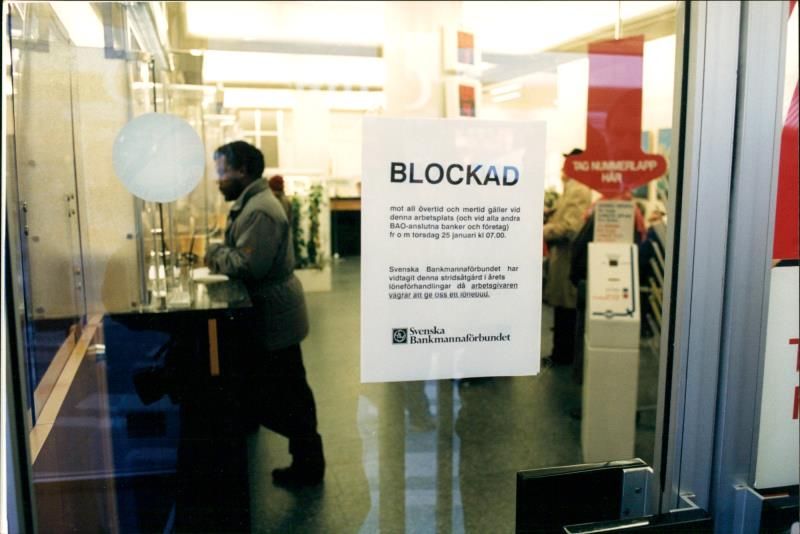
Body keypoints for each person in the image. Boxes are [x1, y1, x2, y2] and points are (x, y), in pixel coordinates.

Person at [205, 140, 325, 487]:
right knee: (290, 388)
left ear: (242, 171)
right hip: (274, 311)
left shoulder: (259, 209)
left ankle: (308, 464)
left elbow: (248, 265)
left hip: (274, 314)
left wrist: (213, 252)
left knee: (288, 390)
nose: (219, 180)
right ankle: (307, 460)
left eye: (223, 172)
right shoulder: (253, 203)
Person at [542, 148, 592, 366]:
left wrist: (543, 230)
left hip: (567, 259)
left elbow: (571, 227)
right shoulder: (571, 188)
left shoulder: (579, 189)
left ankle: (563, 356)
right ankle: (559, 354)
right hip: (561, 259)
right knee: (562, 310)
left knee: (566, 311)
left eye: (567, 163)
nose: (563, 168)